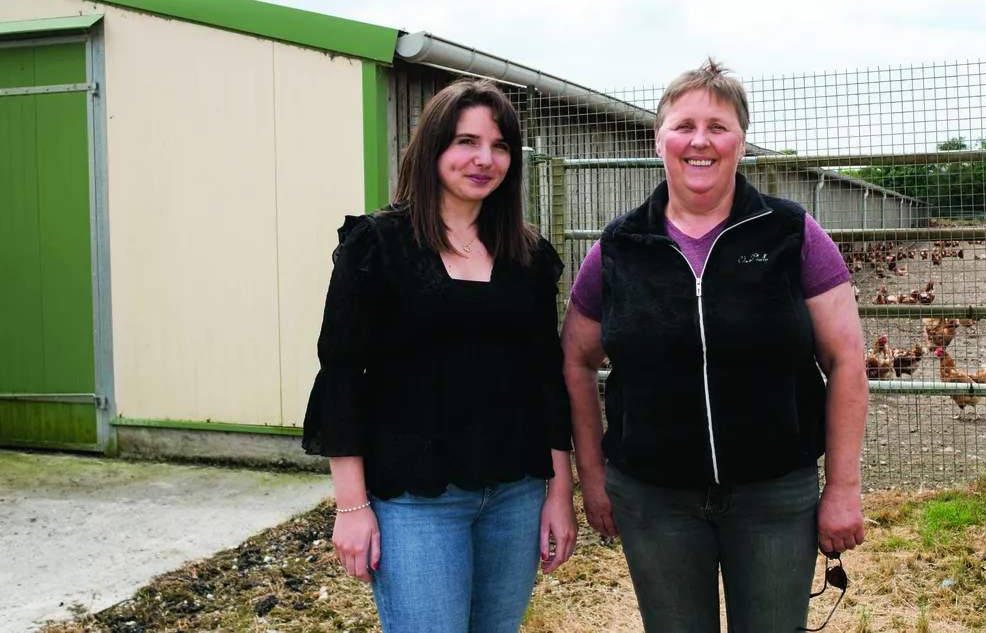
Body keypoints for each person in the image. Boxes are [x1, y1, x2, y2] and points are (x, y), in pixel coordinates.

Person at [561, 58, 868, 632]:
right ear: (659, 141)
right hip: (654, 499)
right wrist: (594, 475)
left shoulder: (793, 234)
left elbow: (846, 359)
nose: (700, 141)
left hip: (776, 495)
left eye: (718, 126)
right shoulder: (619, 248)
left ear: (742, 143)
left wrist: (843, 487)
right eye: (683, 126)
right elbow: (576, 361)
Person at [302, 78, 576, 633]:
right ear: (432, 150)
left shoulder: (528, 255)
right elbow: (341, 374)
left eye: (500, 146)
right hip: (415, 500)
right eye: (466, 142)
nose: (485, 159)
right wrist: (351, 507)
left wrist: (560, 492)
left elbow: (546, 379)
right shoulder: (377, 246)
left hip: (514, 494)